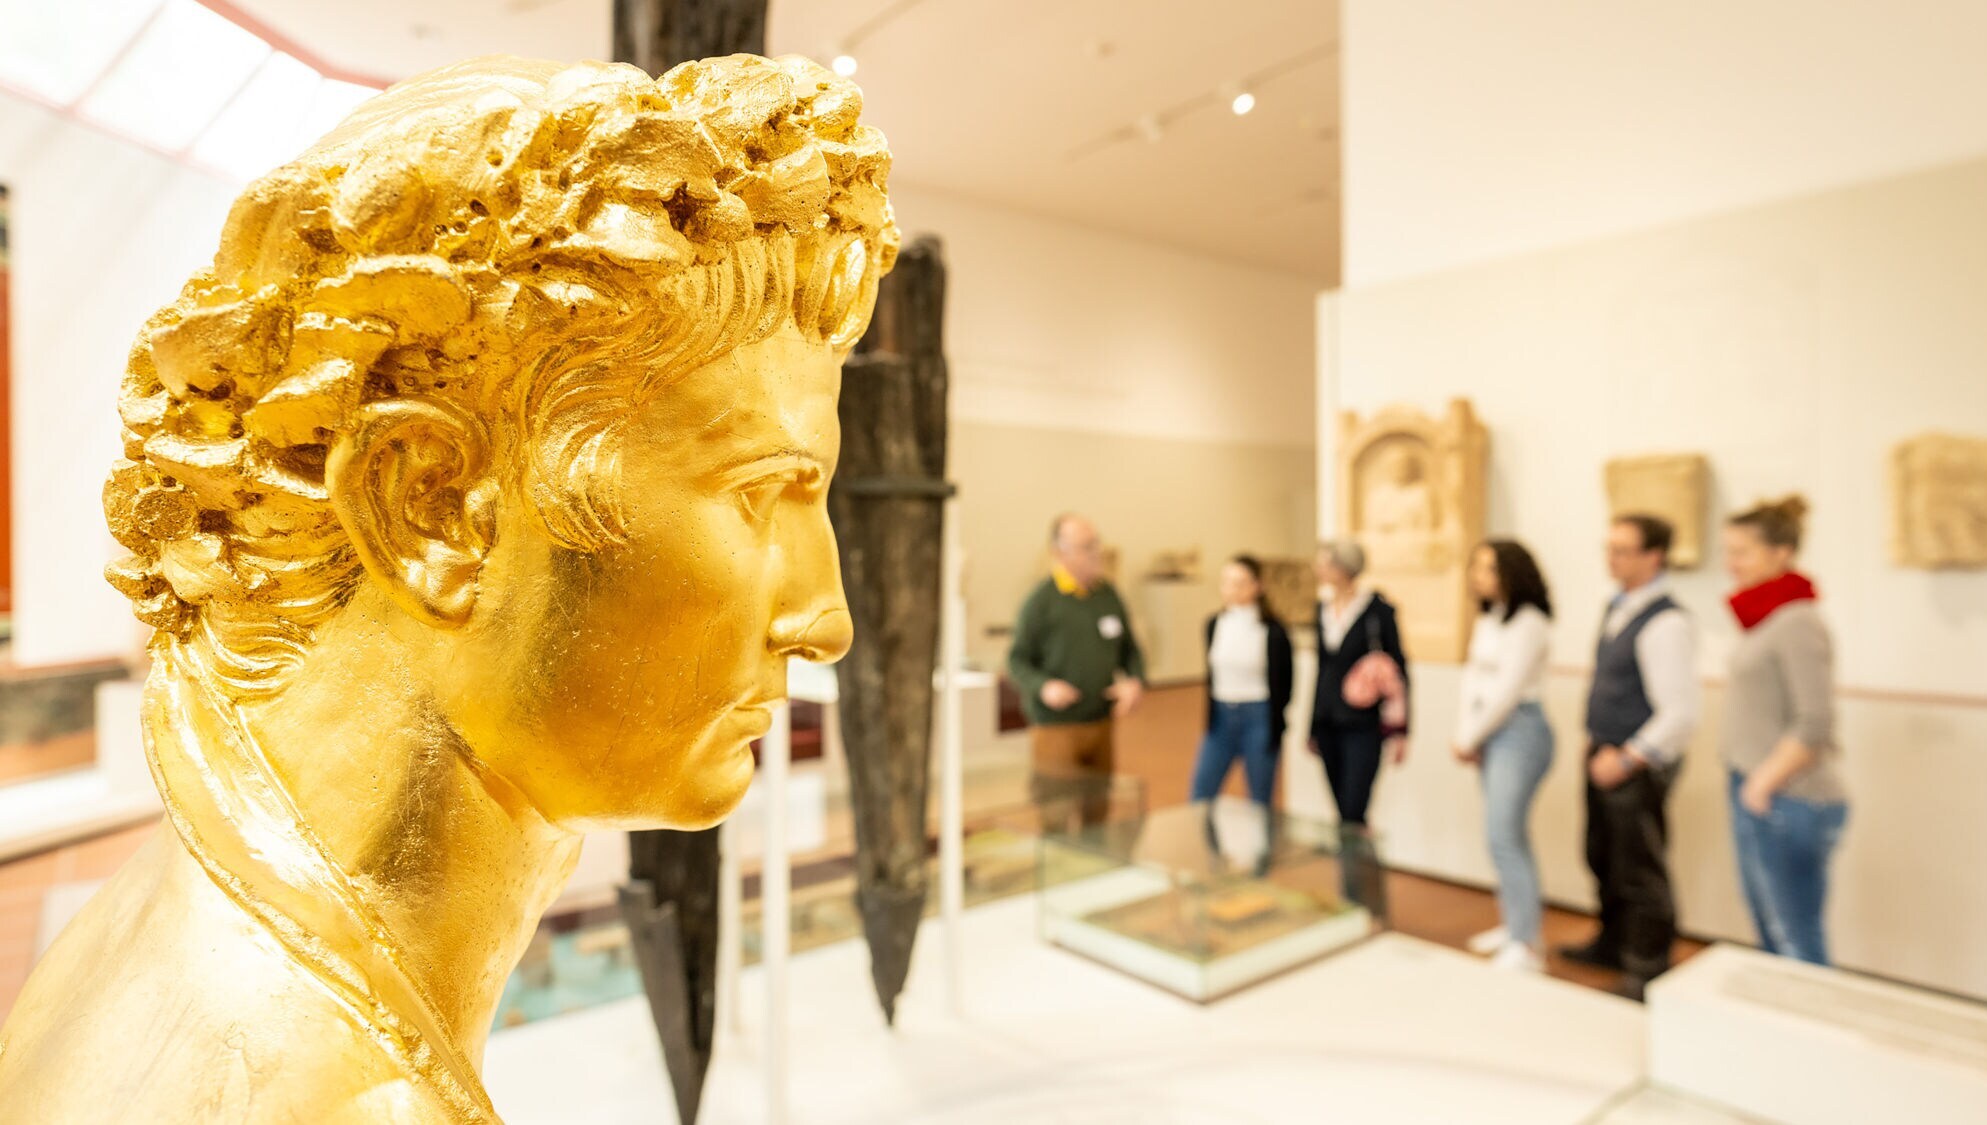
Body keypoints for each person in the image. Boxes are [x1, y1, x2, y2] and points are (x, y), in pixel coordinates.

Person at [0, 55, 888, 1119]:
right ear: (428, 506)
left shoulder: (197, 917)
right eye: (757, 495)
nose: (823, 620)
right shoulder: (340, 1098)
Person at [1560, 514, 1701, 998]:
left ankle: (1647, 967)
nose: (1611, 558)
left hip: (1634, 766)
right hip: (1603, 751)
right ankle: (1612, 943)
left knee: (1640, 868)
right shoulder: (1616, 607)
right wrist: (1595, 739)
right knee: (1603, 857)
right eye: (1609, 547)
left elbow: (1679, 713)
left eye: (1622, 549)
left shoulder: (1666, 621)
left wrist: (1627, 758)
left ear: (1653, 556)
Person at [1721, 496, 1846, 966]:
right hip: (1757, 788)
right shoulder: (1766, 618)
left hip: (1789, 797)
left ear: (1781, 553)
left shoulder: (1798, 622)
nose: (1730, 564)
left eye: (1741, 553)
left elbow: (1815, 722)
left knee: (1796, 939)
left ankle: (1813, 1034)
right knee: (1771, 935)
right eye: (1727, 552)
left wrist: (1761, 783)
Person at [1452, 539, 1556, 972]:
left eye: (1488, 569)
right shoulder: (1490, 618)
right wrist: (1466, 733)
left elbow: (1507, 691)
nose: (1478, 576)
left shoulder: (1530, 622)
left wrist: (1472, 735)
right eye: (1475, 567)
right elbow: (1473, 677)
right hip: (1488, 732)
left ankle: (1526, 943)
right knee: (1501, 836)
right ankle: (1514, 924)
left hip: (1520, 730)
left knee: (1505, 835)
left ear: (1512, 573)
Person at [1009, 514, 1146, 829]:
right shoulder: (1041, 602)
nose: (1096, 553)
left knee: (1098, 812)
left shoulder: (1107, 595)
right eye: (1086, 547)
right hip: (1056, 727)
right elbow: (1017, 660)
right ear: (1060, 553)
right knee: (1056, 812)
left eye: (1096, 544)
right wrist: (1043, 687)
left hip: (1100, 722)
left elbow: (1130, 651)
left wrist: (1135, 682)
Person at [1309, 539, 1409, 828]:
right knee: (1342, 811)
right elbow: (1322, 669)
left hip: (1363, 723)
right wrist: (1312, 725)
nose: (1319, 568)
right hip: (1328, 720)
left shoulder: (1378, 612)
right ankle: (1353, 871)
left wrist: (1401, 730)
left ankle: (1359, 872)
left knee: (1354, 809)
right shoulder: (1323, 610)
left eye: (1325, 563)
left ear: (1342, 568)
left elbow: (1398, 671)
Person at [1190, 555, 1295, 817]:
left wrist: (1275, 721)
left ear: (1257, 586)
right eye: (1226, 582)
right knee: (1200, 796)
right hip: (1221, 718)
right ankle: (1206, 854)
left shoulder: (1273, 631)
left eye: (1240, 583)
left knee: (1259, 802)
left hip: (1258, 717)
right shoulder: (1214, 624)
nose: (1232, 589)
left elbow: (1285, 682)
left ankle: (1261, 856)